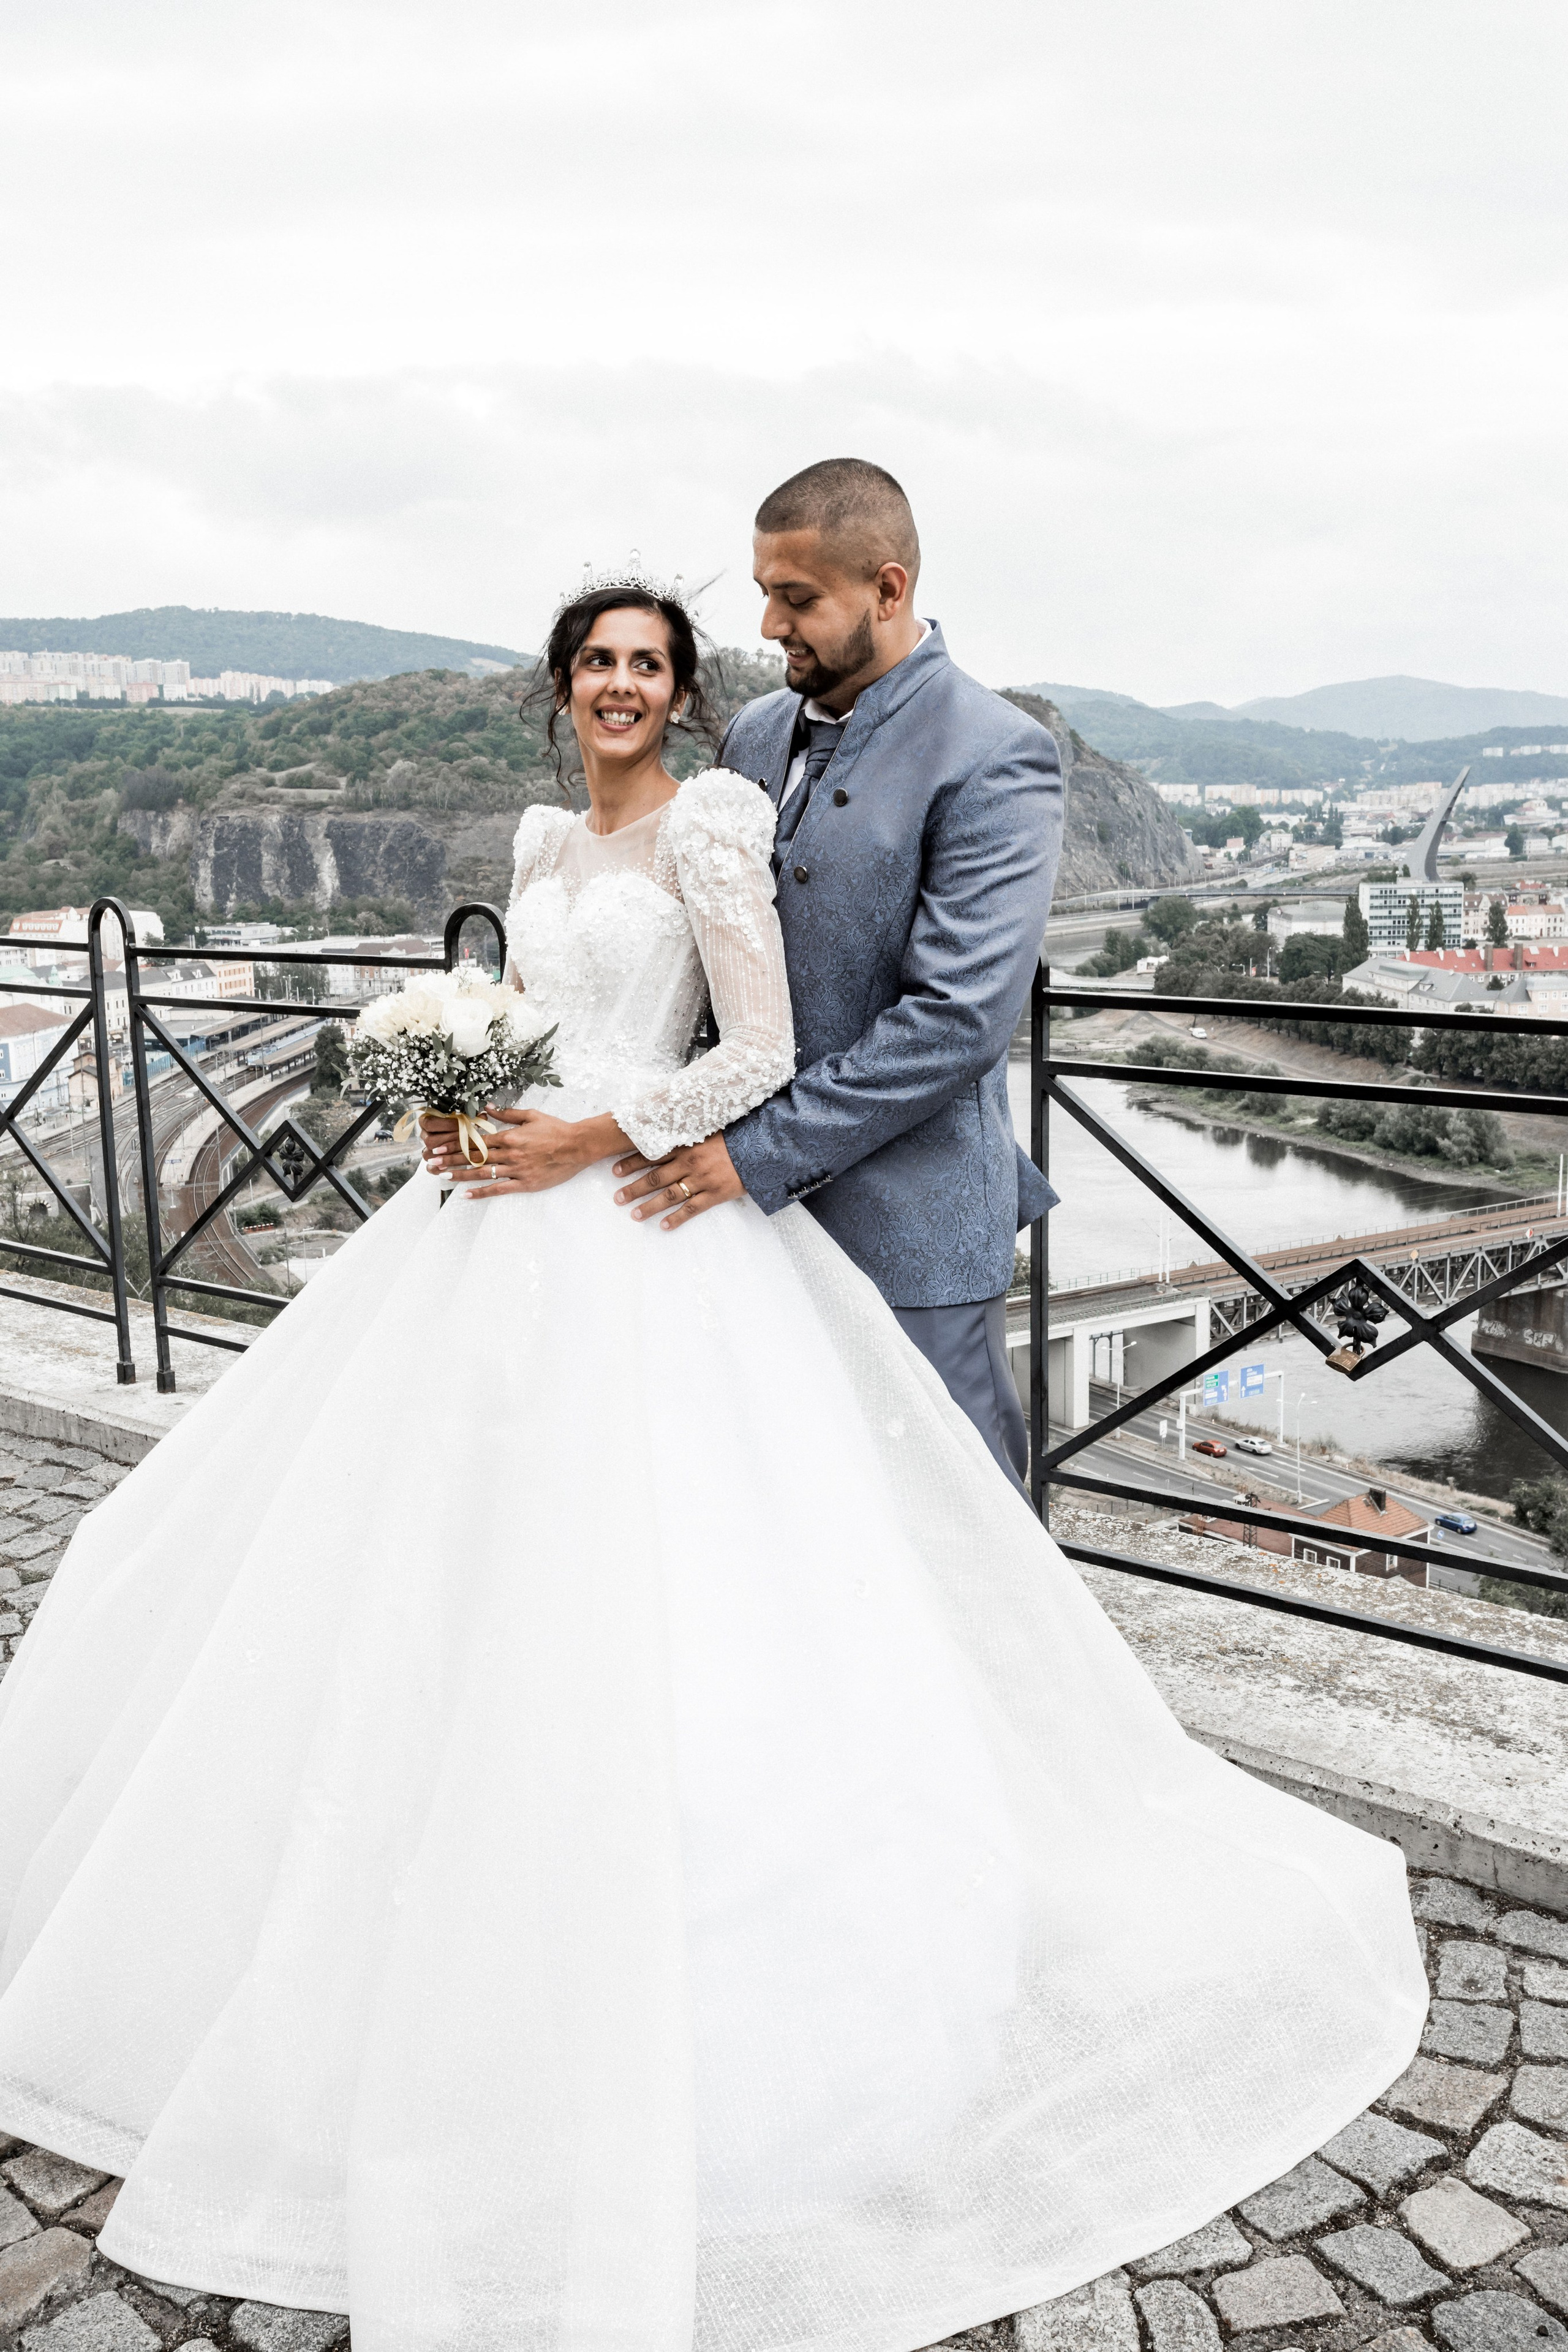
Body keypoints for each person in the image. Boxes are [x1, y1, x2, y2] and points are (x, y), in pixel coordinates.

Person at [0, 572, 1426, 2352]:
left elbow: (759, 1047)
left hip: (643, 1219)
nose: (620, 686)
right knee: (399, 1566)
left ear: (682, 698)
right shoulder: (533, 841)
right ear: (557, 689)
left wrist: (600, 1122)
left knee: (672, 1597)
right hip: (484, 1224)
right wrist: (464, 1101)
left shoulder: (715, 829)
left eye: (650, 666)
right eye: (596, 663)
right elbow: (515, 1011)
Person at [434, 460, 1060, 1489]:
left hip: (906, 1224)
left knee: (952, 1516)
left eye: (798, 597)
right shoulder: (757, 734)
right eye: (767, 591)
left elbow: (956, 1022)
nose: (770, 624)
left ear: (888, 590)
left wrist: (752, 1149)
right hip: (722, 1229)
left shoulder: (998, 754)